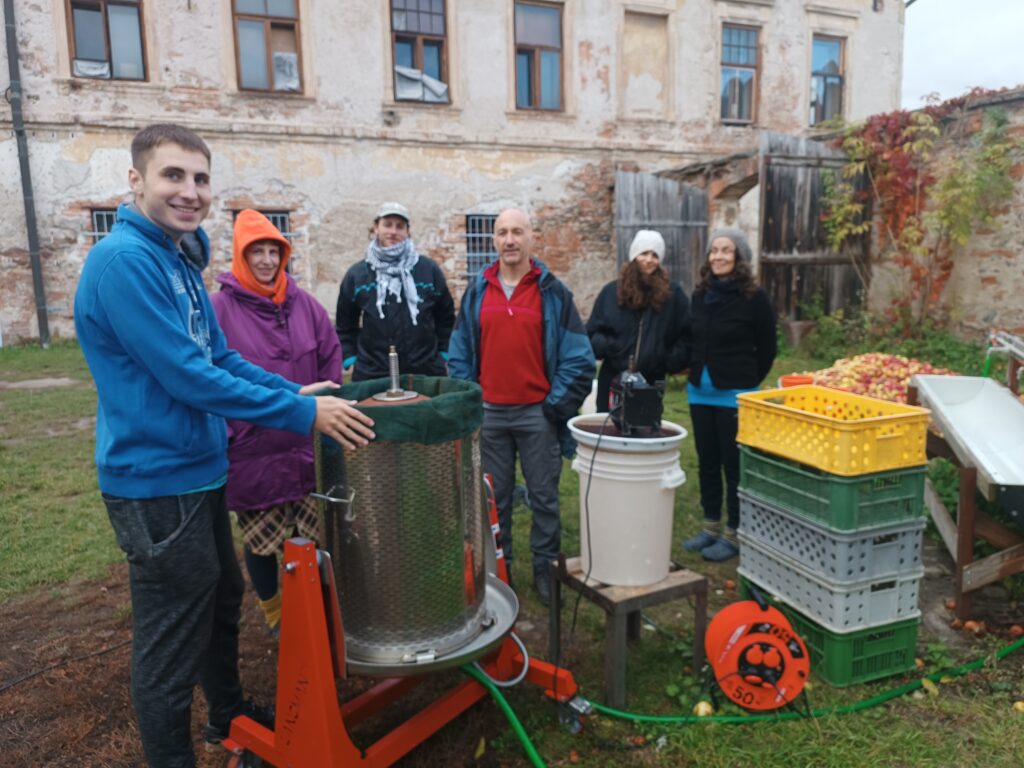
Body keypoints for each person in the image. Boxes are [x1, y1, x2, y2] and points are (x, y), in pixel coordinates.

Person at [73, 124, 375, 768]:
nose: (190, 191)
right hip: (157, 482)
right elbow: (187, 375)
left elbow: (222, 357)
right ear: (136, 181)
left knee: (220, 598)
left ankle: (228, 715)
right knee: (170, 642)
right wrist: (300, 412)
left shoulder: (177, 257)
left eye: (201, 179)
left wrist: (298, 389)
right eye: (172, 176)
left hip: (200, 471)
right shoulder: (126, 262)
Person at [448, 208, 595, 606]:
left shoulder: (552, 293)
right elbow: (459, 353)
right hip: (491, 415)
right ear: (493, 241)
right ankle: (501, 570)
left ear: (532, 238)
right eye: (501, 233)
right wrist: (471, 399)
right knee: (496, 500)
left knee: (545, 497)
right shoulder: (478, 291)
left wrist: (555, 405)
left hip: (538, 415)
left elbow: (579, 357)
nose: (509, 240)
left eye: (517, 232)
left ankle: (547, 569)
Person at [211, 210, 340, 636]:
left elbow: (330, 359)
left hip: (306, 444)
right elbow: (212, 378)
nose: (267, 261)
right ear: (240, 256)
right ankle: (275, 614)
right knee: (262, 541)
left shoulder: (305, 305)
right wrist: (234, 431)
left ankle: (319, 609)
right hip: (254, 448)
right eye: (257, 252)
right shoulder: (220, 310)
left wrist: (329, 406)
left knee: (317, 535)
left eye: (273, 252)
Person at [681, 227, 776, 562]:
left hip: (735, 394)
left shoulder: (754, 297)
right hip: (699, 393)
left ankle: (734, 534)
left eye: (726, 250)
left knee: (733, 466)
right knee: (707, 462)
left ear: (739, 257)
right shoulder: (700, 295)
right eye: (714, 251)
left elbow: (767, 348)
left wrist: (746, 382)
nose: (718, 256)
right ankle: (710, 528)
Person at [335, 202, 455, 380]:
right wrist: (351, 359)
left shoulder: (427, 270)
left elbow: (446, 318)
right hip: (373, 374)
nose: (393, 231)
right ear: (376, 227)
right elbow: (344, 324)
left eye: (400, 226)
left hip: (425, 372)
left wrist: (444, 355)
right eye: (387, 224)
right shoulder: (358, 274)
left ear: (407, 231)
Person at [586, 229, 691, 412]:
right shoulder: (611, 292)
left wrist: (665, 359)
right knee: (608, 432)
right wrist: (613, 347)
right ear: (634, 255)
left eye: (654, 255)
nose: (649, 260)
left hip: (651, 381)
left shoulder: (673, 296)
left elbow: (687, 336)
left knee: (645, 433)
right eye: (644, 253)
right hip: (613, 379)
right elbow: (592, 333)